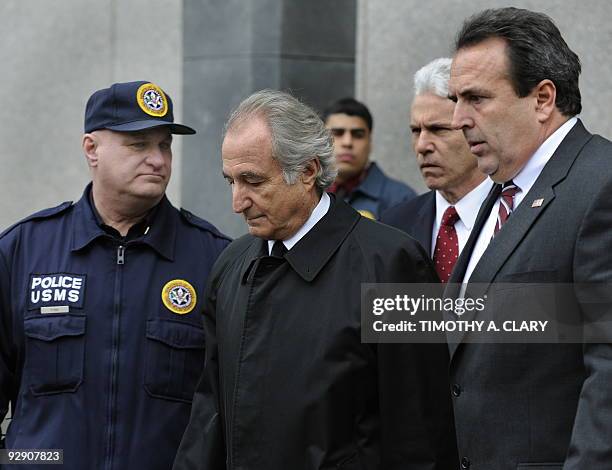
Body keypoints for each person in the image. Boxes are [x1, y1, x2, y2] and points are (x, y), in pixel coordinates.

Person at [173, 89, 457, 469]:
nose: (237, 202)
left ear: (308, 172)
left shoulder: (391, 264)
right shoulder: (230, 266)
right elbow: (208, 415)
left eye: (254, 182)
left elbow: (420, 432)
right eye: (231, 181)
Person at [0, 81, 230, 469]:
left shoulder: (214, 257)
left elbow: (231, 407)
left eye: (164, 145)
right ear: (92, 149)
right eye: (138, 144)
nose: (157, 159)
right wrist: (27, 460)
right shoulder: (23, 251)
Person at [445, 7, 612, 469]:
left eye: (476, 98)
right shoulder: (502, 192)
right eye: (455, 99)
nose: (458, 119)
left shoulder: (601, 184)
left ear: (542, 98)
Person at [382, 58, 492, 282]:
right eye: (416, 130)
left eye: (438, 129)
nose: (422, 146)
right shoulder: (394, 224)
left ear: (476, 130)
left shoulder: (513, 214)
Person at [322, 97, 416, 219]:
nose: (348, 142)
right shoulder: (308, 194)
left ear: (370, 142)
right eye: (338, 133)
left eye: (358, 135)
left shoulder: (402, 200)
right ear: (321, 141)